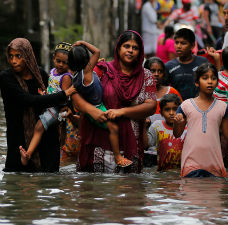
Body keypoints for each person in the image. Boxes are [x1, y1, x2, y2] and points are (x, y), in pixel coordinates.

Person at [73, 30, 157, 173]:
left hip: (132, 143)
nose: (130, 51)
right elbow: (75, 93)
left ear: (140, 52)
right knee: (94, 191)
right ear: (118, 48)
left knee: (130, 189)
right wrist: (91, 110)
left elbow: (151, 106)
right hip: (99, 142)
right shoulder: (102, 70)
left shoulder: (146, 76)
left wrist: (122, 111)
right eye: (126, 46)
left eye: (135, 48)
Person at [173, 63, 228, 178]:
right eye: (205, 78)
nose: (210, 81)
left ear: (217, 83)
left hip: (214, 164)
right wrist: (178, 123)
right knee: (190, 194)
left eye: (213, 78)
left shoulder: (222, 107)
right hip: (191, 164)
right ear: (197, 83)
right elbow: (177, 134)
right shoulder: (186, 105)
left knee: (214, 194)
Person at [0, 38, 70, 172]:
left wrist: (66, 107)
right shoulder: (6, 78)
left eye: (18, 56)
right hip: (19, 139)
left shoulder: (40, 75)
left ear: (28, 55)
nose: (14, 61)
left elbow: (56, 100)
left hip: (47, 140)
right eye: (11, 56)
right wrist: (63, 95)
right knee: (18, 181)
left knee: (50, 183)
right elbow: (28, 100)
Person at [69, 40, 133, 168]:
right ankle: (118, 157)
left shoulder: (76, 76)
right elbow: (97, 51)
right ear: (87, 59)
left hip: (89, 107)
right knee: (113, 128)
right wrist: (83, 43)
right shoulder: (87, 71)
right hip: (98, 108)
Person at [18, 42, 76, 166]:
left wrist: (60, 113)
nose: (61, 65)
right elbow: (52, 88)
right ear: (53, 58)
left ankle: (28, 154)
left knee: (39, 127)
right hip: (49, 103)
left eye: (65, 62)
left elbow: (64, 97)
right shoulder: (52, 71)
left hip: (58, 108)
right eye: (58, 61)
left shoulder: (66, 77)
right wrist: (45, 94)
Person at [144, 94, 186, 171]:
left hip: (182, 171)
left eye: (175, 109)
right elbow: (146, 146)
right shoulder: (157, 126)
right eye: (167, 109)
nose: (171, 113)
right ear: (161, 113)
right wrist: (144, 126)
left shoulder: (187, 128)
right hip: (162, 172)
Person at [165, 28, 208, 101]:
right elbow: (164, 90)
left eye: (183, 43)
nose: (178, 46)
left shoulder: (203, 62)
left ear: (192, 45)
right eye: (176, 42)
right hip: (177, 109)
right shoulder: (168, 66)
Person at [144, 57, 182, 123]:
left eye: (160, 71)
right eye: (152, 71)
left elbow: (181, 113)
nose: (156, 74)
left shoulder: (171, 92)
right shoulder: (140, 93)